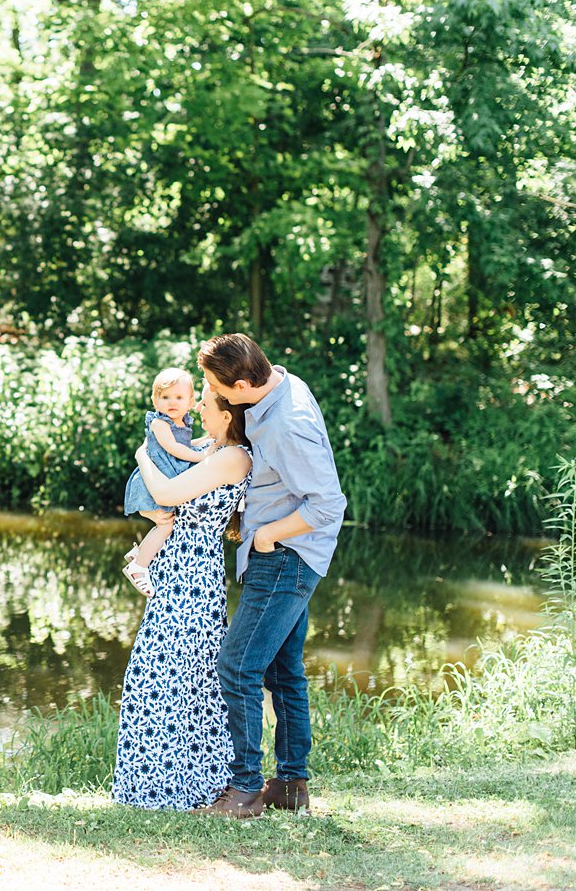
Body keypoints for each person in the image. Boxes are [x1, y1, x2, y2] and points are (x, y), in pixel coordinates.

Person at [194, 333, 346, 818]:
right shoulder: (281, 382)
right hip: (291, 554)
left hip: (284, 557)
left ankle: (244, 790)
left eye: (216, 386)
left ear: (242, 383)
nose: (211, 393)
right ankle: (290, 786)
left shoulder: (287, 423)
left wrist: (266, 536)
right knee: (285, 673)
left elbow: (328, 504)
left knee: (237, 668)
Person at [112, 390, 252, 811]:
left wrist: (142, 457)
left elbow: (170, 493)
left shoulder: (233, 457)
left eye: (206, 406)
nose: (198, 413)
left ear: (227, 416)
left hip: (193, 575)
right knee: (163, 673)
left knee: (176, 675)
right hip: (179, 569)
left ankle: (183, 784)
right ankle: (155, 784)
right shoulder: (213, 449)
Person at [121, 368, 208, 596]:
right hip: (153, 480)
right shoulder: (160, 424)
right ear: (155, 400)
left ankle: (141, 552)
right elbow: (174, 448)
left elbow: (185, 446)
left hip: (166, 476)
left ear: (190, 401)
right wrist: (203, 456)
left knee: (166, 523)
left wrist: (207, 440)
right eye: (165, 397)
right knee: (165, 524)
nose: (172, 402)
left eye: (179, 397)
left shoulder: (182, 422)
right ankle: (138, 567)